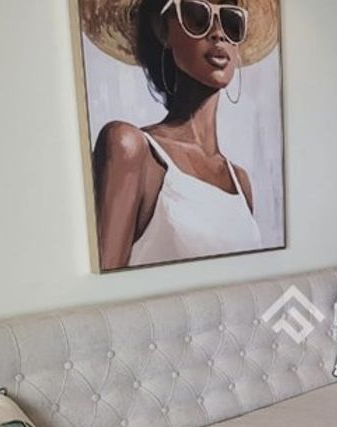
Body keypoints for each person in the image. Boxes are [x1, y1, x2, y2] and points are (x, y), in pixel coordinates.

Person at [81, 0, 279, 270]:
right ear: (162, 29)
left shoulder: (240, 182)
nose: (218, 33)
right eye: (196, 14)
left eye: (231, 21)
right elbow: (104, 284)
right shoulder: (130, 148)